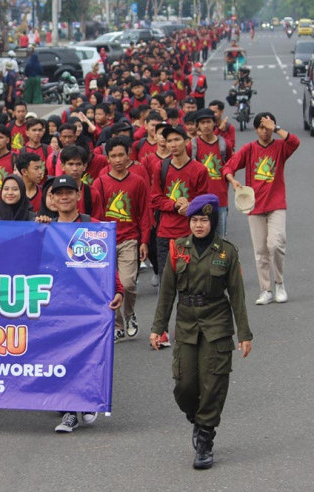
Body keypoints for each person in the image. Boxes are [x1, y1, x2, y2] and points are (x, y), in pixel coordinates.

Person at [150, 193, 253, 470]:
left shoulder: (226, 252)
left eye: (204, 220)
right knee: (184, 386)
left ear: (213, 222)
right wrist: (158, 328)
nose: (198, 225)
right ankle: (197, 419)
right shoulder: (177, 249)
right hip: (186, 324)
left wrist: (244, 334)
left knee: (213, 385)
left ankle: (206, 437)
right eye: (194, 220)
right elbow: (167, 293)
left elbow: (237, 295)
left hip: (216, 325)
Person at [37, 175, 124, 433]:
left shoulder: (94, 228)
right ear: (51, 198)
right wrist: (37, 229)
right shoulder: (45, 228)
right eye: (58, 193)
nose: (64, 197)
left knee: (86, 357)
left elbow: (107, 266)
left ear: (78, 196)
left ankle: (86, 401)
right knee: (59, 356)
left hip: (89, 306)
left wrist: (118, 290)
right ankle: (68, 412)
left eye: (69, 192)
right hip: (57, 305)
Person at [222, 112, 300, 305]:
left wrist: (277, 127)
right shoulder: (249, 149)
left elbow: (295, 142)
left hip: (276, 204)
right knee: (261, 251)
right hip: (254, 205)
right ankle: (266, 289)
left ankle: (279, 283)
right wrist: (232, 181)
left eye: (268, 127)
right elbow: (228, 167)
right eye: (261, 127)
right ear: (256, 129)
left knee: (276, 244)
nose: (265, 131)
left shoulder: (281, 147)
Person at [92, 136, 151, 343]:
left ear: (129, 156)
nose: (117, 159)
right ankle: (117, 324)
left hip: (129, 240)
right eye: (113, 156)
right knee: (109, 285)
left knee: (128, 283)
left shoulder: (138, 182)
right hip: (105, 241)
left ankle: (129, 314)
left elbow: (144, 213)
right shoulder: (99, 182)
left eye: (121, 155)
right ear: (107, 158)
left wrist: (144, 240)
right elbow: (96, 215)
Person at [151, 125, 209, 280]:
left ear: (186, 141)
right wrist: (174, 204)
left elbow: (204, 202)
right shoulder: (160, 167)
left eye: (177, 139)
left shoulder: (200, 170)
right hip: (165, 234)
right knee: (166, 284)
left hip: (190, 234)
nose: (173, 144)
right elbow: (155, 199)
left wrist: (192, 206)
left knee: (191, 282)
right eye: (169, 141)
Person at [190, 109, 232, 237]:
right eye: (202, 123)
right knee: (200, 237)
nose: (206, 126)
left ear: (214, 123)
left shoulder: (225, 145)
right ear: (198, 126)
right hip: (198, 199)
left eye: (209, 122)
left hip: (220, 199)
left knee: (220, 239)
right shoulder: (192, 146)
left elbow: (230, 167)